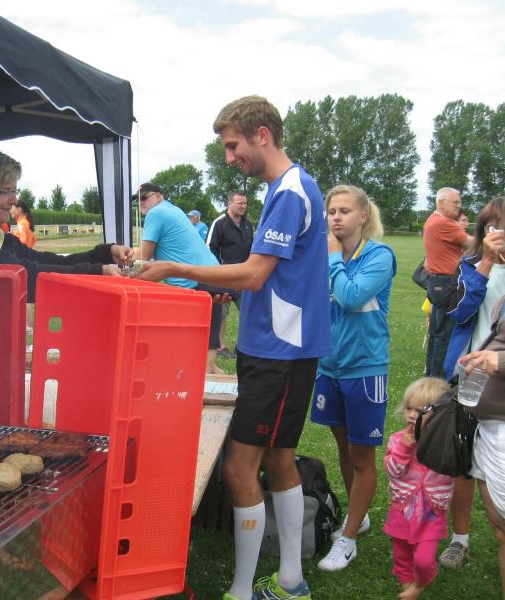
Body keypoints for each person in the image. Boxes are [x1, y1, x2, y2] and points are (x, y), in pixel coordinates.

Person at [139, 95, 330, 600]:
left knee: (239, 467)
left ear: (262, 135)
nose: (229, 158)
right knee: (279, 459)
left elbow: (255, 273)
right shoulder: (287, 188)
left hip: (279, 354)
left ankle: (244, 591)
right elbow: (270, 277)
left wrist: (176, 268)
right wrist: (232, 285)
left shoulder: (290, 191)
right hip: (277, 349)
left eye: (232, 145)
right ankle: (290, 580)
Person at [310, 185, 396, 571]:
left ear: (363, 216)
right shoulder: (325, 255)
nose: (336, 218)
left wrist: (331, 258)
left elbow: (350, 296)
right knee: (345, 449)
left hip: (365, 369)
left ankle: (347, 541)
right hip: (330, 368)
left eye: (344, 211)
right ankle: (357, 519)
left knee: (362, 456)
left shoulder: (379, 256)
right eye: (331, 211)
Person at [0, 149, 132, 302]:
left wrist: (104, 254)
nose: (13, 200)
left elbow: (46, 260)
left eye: (14, 191)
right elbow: (27, 275)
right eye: (5, 191)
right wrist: (97, 272)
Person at [437, 197, 505, 569]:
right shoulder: (470, 266)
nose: (501, 234)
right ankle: (460, 538)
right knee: (462, 460)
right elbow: (458, 310)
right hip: (471, 376)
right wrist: (485, 264)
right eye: (492, 226)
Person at [461, 192, 505, 600]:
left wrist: (502, 362)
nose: (503, 237)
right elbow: (456, 310)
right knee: (502, 532)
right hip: (490, 425)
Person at [138, 183, 225, 374]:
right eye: (138, 200)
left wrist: (117, 256)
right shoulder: (173, 210)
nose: (141, 202)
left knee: (198, 367)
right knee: (208, 361)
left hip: (196, 284)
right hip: (211, 276)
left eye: (144, 197)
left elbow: (143, 257)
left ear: (158, 196)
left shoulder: (156, 213)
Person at [384, 377, 455, 600]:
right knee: (401, 557)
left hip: (431, 513)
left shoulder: (445, 443)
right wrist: (405, 447)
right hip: (402, 510)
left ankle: (421, 582)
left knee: (424, 560)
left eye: (420, 411)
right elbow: (393, 471)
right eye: (409, 409)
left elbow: (456, 466)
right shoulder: (398, 440)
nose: (412, 415)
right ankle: (409, 589)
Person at [423, 187, 473, 376]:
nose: (459, 206)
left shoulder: (432, 220)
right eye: (456, 202)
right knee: (444, 336)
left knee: (436, 335)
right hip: (447, 283)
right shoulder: (444, 223)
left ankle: (430, 376)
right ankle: (437, 380)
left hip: (437, 283)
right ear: (441, 202)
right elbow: (473, 243)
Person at [207, 190, 253, 359]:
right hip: (224, 278)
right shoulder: (220, 223)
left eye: (245, 203)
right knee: (221, 314)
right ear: (230, 203)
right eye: (240, 203)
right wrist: (220, 271)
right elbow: (209, 250)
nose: (243, 206)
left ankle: (243, 346)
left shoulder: (248, 225)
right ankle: (221, 347)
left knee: (249, 311)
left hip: (244, 278)